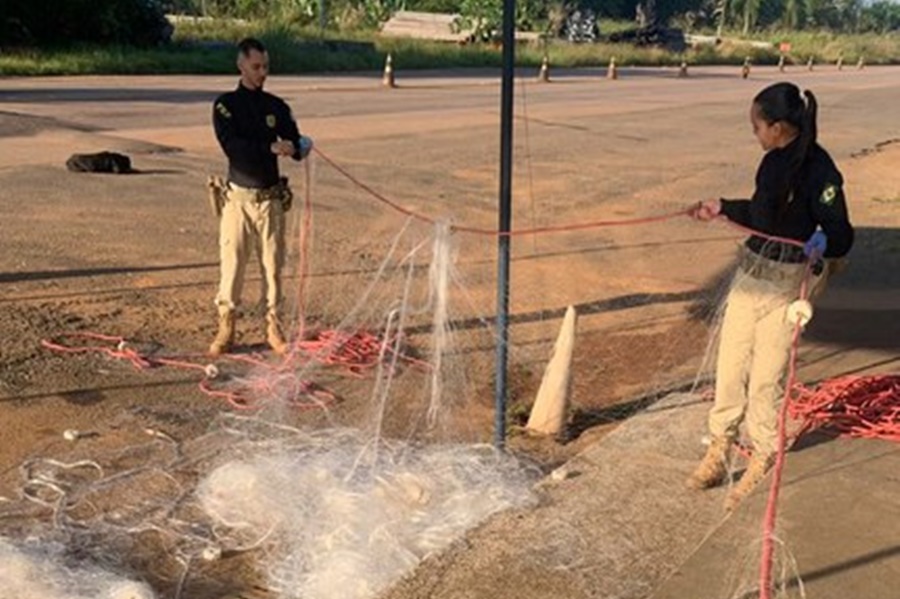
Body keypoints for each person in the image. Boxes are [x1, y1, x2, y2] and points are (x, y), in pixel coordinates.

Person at [687, 82, 854, 510]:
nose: (755, 135)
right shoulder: (771, 165)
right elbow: (761, 215)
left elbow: (840, 233)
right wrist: (720, 206)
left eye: (757, 127)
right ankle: (719, 447)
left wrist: (822, 242)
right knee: (730, 366)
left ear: (778, 127)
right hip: (751, 276)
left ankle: (762, 453)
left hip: (787, 285)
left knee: (767, 377)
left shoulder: (822, 171)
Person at [209, 37, 312, 357]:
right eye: (256, 67)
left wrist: (296, 146)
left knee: (273, 267)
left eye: (266, 66)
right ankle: (227, 325)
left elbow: (295, 143)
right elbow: (233, 148)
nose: (262, 72)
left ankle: (273, 325)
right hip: (238, 199)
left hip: (270, 201)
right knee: (233, 266)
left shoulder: (277, 107)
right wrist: (269, 147)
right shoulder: (225, 105)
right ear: (241, 66)